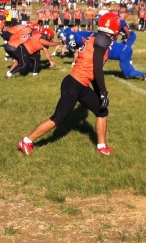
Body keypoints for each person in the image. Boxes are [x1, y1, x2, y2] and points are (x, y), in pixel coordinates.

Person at [17, 12, 120, 156]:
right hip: (74, 84)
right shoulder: (102, 40)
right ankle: (26, 140)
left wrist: (99, 93)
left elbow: (93, 70)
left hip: (81, 84)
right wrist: (103, 92)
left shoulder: (97, 37)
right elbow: (97, 69)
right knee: (58, 118)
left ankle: (101, 146)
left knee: (102, 110)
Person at [110, 8, 146, 80]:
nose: (121, 13)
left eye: (122, 12)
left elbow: (126, 30)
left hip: (130, 36)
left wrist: (127, 38)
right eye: (120, 12)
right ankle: (129, 65)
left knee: (125, 50)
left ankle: (130, 64)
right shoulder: (118, 19)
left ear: (126, 14)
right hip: (126, 36)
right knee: (122, 48)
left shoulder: (121, 21)